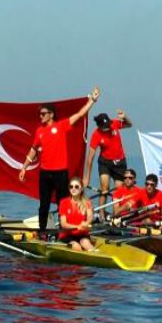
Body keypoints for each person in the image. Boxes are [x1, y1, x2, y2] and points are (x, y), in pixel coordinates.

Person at [18, 87, 100, 233]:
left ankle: (65, 231)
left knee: (63, 203)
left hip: (60, 173)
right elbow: (33, 150)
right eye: (40, 114)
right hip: (45, 173)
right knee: (44, 205)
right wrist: (24, 167)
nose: (40, 116)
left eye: (43, 114)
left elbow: (80, 114)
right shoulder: (39, 131)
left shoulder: (61, 126)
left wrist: (92, 100)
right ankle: (42, 232)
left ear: (51, 114)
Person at [82, 110, 133, 220]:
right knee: (105, 189)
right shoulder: (96, 135)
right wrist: (87, 178)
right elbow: (90, 158)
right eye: (104, 126)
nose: (107, 128)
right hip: (105, 162)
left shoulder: (114, 123)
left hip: (120, 163)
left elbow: (129, 125)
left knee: (119, 191)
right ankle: (101, 215)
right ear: (99, 126)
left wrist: (125, 117)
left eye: (108, 125)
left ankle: (117, 216)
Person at [57, 178, 95, 252]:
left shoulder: (87, 202)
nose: (73, 189)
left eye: (76, 187)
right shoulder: (64, 202)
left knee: (86, 244)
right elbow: (63, 224)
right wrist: (77, 226)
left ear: (81, 189)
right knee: (76, 246)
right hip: (67, 235)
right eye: (71, 187)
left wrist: (87, 223)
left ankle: (95, 254)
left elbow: (90, 217)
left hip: (82, 234)